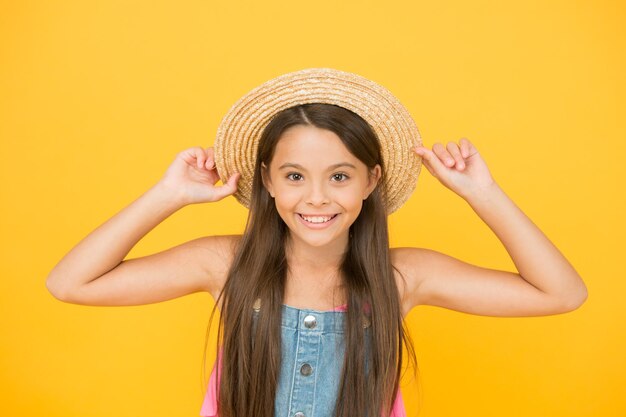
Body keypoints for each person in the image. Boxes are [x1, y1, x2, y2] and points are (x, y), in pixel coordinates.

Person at [46, 68, 588, 417]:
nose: (317, 199)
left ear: (372, 180)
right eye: (295, 176)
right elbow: (70, 283)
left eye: (340, 176)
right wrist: (167, 195)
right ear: (267, 180)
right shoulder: (224, 265)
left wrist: (483, 194)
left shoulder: (402, 277)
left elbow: (561, 294)